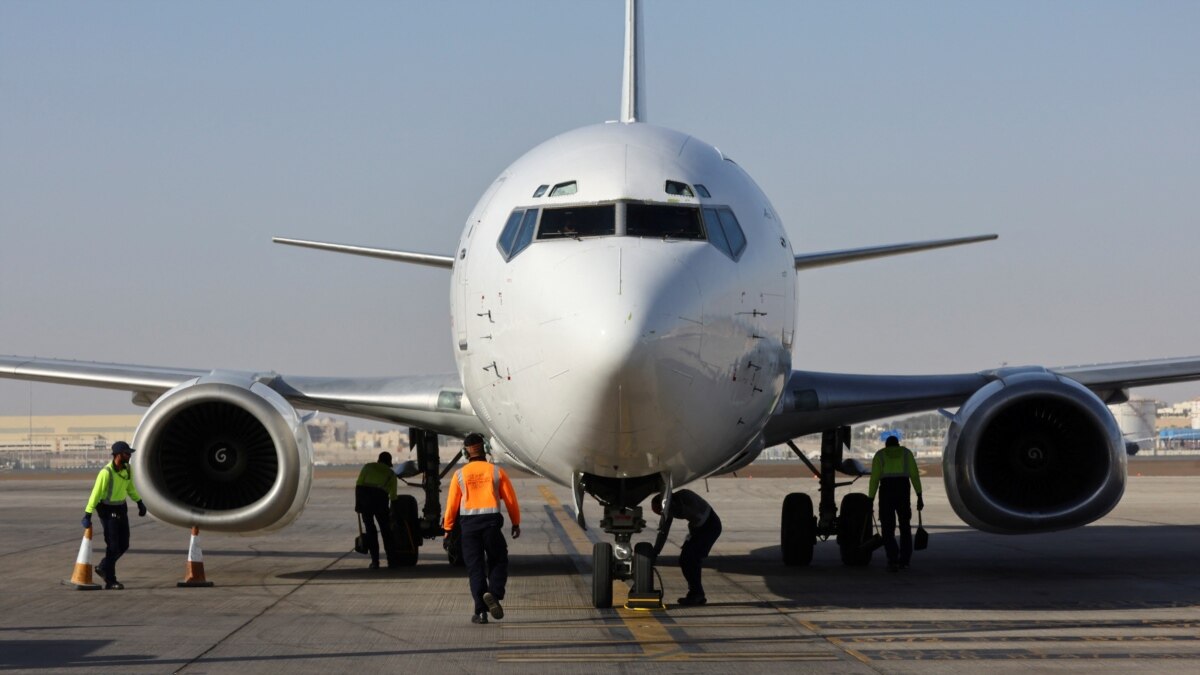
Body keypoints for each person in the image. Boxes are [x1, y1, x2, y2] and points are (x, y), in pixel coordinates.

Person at [443, 433, 521, 624]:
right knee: (498, 560)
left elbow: (452, 504)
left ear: (465, 452)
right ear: (485, 449)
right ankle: (493, 594)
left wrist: (448, 528)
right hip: (491, 524)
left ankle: (480, 611)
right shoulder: (496, 472)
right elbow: (511, 500)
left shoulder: (459, 475)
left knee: (475, 567)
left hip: (468, 527)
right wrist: (515, 522)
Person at [81, 441, 146, 590]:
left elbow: (130, 488)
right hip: (106, 510)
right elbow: (95, 494)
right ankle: (110, 580)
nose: (129, 456)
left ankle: (103, 567)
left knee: (124, 544)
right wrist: (88, 514)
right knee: (113, 546)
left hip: (121, 508)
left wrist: (139, 502)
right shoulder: (106, 472)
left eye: (129, 453)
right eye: (126, 453)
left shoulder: (128, 469)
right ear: (117, 455)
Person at [651, 488, 722, 606]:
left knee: (690, 559)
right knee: (686, 559)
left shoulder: (685, 496)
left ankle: (697, 594)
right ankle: (696, 593)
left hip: (710, 526)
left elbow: (697, 517)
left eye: (662, 511)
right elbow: (664, 531)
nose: (664, 514)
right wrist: (656, 551)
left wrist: (691, 538)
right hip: (701, 528)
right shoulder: (672, 506)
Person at [868, 434, 924, 572]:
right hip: (903, 491)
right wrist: (919, 495)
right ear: (898, 444)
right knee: (905, 526)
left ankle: (892, 558)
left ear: (886, 445)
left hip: (886, 491)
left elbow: (874, 479)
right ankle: (905, 560)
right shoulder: (906, 453)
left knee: (887, 528)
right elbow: (915, 475)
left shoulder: (880, 455)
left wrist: (870, 499)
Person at [355, 451, 400, 569]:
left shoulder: (368, 467)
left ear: (379, 460)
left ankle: (375, 562)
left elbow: (359, 485)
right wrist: (393, 513)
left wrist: (358, 505)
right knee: (386, 532)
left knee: (371, 532)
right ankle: (392, 562)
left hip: (365, 503)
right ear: (389, 462)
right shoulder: (391, 474)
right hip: (381, 503)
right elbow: (394, 497)